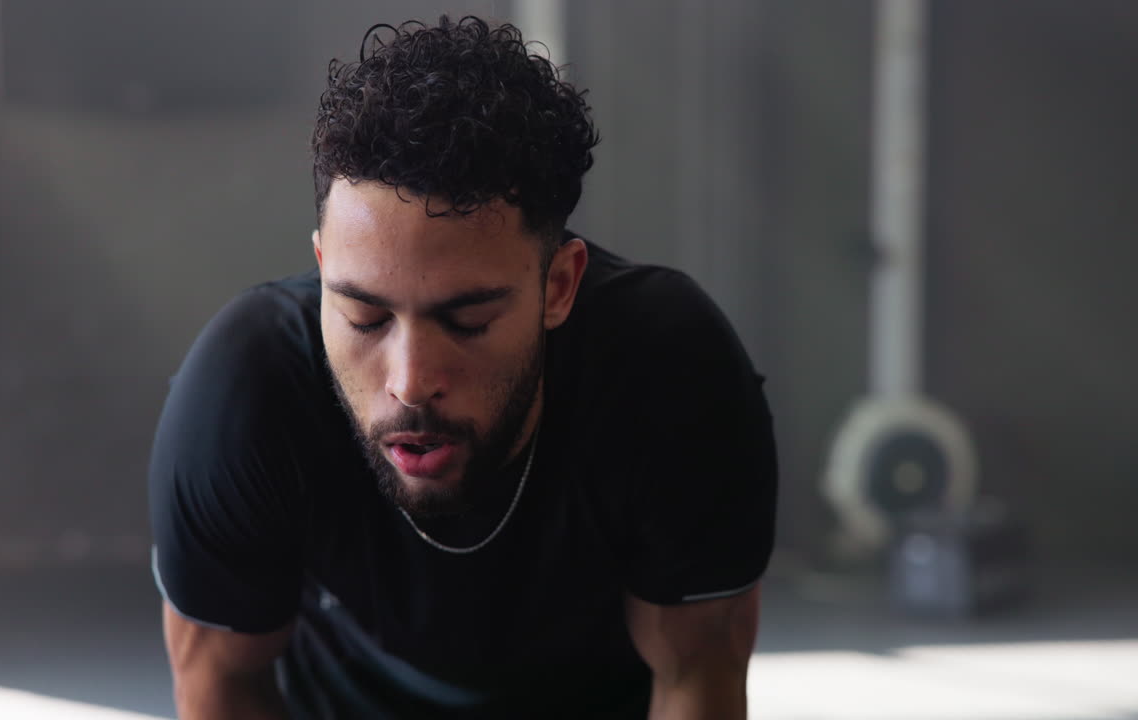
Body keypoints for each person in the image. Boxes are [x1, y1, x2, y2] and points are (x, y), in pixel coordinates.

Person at [148, 15, 777, 719]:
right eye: (365, 317)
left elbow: (698, 676)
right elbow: (220, 683)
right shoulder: (248, 391)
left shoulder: (671, 375)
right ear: (324, 269)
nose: (410, 381)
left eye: (468, 320)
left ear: (559, 287)